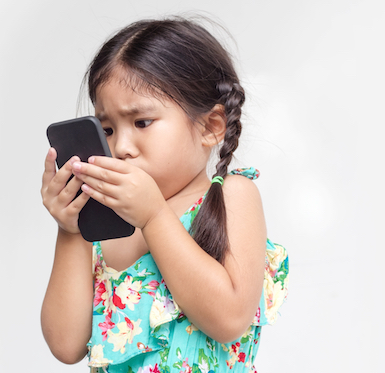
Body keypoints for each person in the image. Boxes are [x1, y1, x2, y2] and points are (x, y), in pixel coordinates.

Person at [40, 16, 289, 373]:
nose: (121, 147)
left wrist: (155, 216)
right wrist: (71, 229)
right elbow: (66, 345)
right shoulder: (105, 225)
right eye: (107, 128)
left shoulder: (232, 196)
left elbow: (229, 318)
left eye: (142, 122)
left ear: (210, 127)